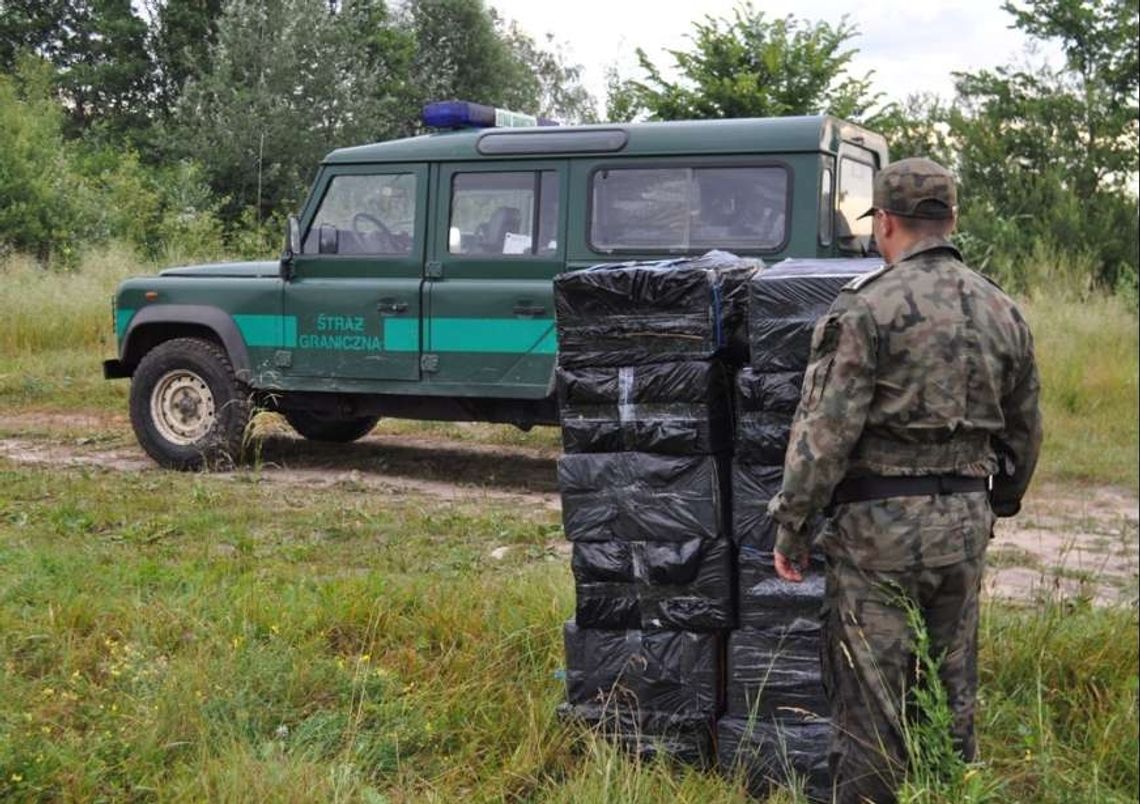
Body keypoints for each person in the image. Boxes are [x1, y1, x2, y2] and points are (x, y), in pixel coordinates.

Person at [767, 157, 1043, 803]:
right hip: (965, 525)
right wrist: (998, 500)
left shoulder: (868, 306)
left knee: (872, 703)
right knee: (952, 689)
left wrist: (794, 525)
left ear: (886, 222)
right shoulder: (1002, 306)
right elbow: (1025, 429)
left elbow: (825, 429)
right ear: (950, 219)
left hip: (879, 535)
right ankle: (949, 792)